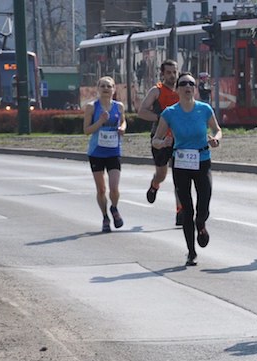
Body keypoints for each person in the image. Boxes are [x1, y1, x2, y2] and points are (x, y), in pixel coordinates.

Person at [151, 72, 222, 267]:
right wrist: (163, 143)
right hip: (181, 163)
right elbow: (156, 140)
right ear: (177, 89)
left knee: (204, 203)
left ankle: (201, 223)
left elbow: (217, 129)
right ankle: (191, 252)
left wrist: (216, 139)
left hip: (202, 160)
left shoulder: (204, 109)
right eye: (183, 84)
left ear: (195, 88)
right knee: (187, 209)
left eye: (191, 83)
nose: (188, 87)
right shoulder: (170, 113)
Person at [83, 76, 127, 233]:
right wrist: (100, 122)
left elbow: (123, 121)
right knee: (101, 189)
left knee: (114, 188)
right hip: (96, 152)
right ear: (98, 89)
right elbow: (86, 130)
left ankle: (114, 208)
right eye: (103, 86)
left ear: (114, 89)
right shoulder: (91, 107)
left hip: (113, 151)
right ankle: (105, 217)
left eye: (109, 86)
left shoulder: (119, 106)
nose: (106, 89)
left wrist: (122, 128)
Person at [137, 60, 180, 208]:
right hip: (160, 137)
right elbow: (142, 112)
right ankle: (155, 184)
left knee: (180, 177)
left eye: (174, 72)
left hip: (180, 139)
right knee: (162, 174)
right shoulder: (156, 91)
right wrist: (161, 118)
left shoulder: (182, 89)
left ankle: (180, 211)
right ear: (162, 74)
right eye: (169, 72)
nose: (172, 75)